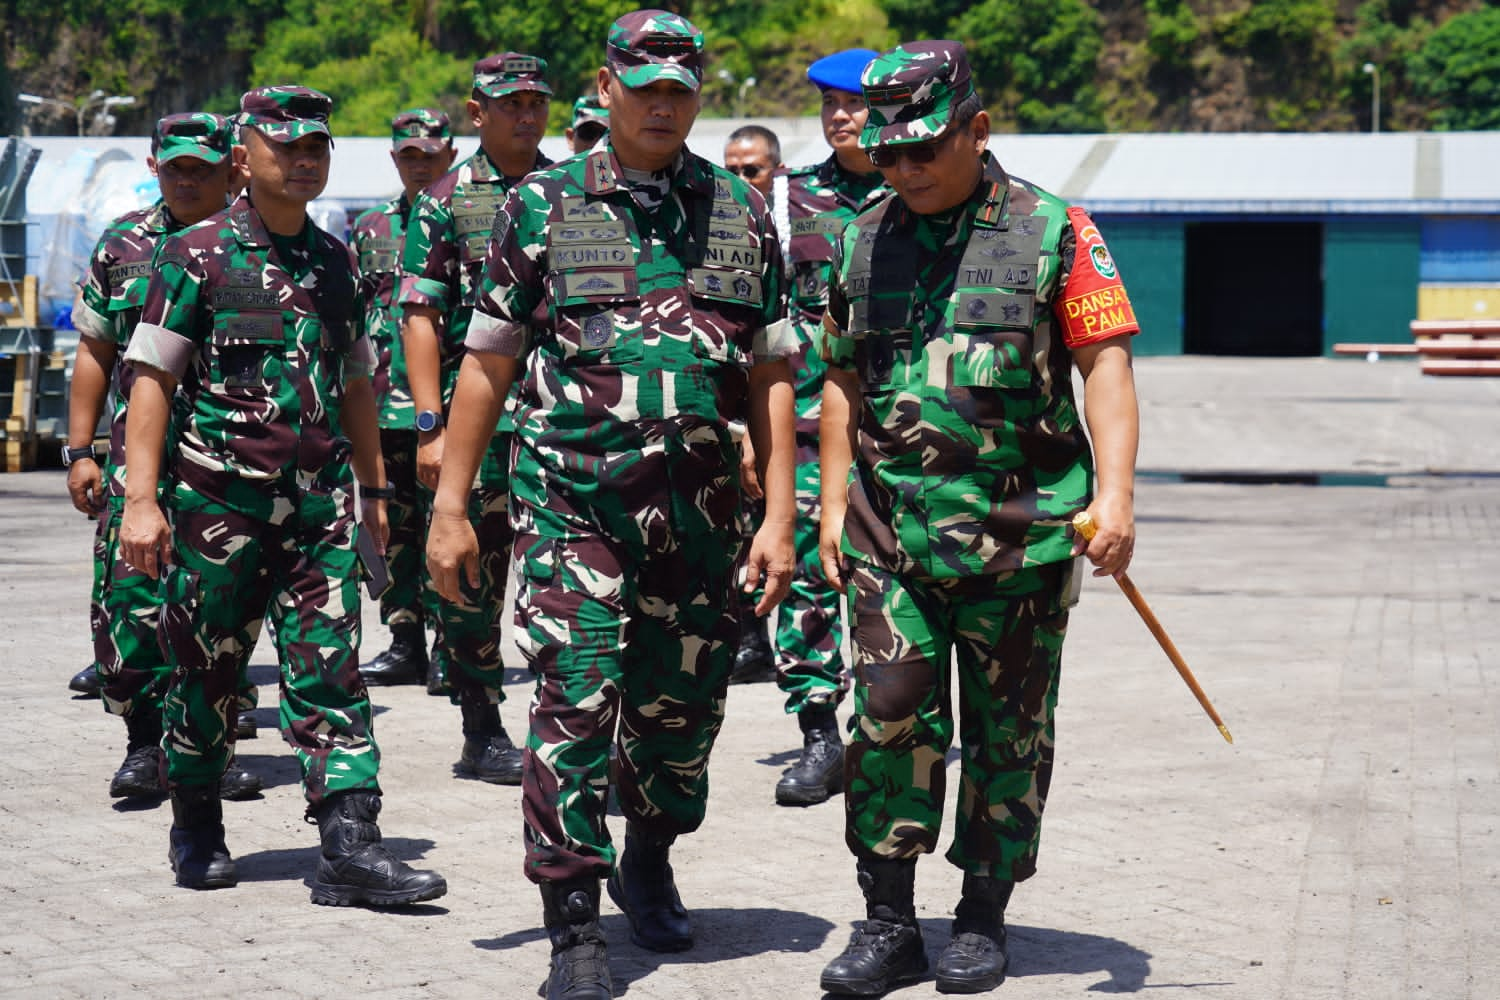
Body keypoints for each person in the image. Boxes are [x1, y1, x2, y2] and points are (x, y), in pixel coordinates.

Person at [425, 10, 796, 998]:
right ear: (607, 87)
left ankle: (654, 851)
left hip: (704, 519)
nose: (665, 101)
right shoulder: (543, 203)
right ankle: (575, 923)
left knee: (682, 720)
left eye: (682, 84)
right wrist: (453, 504)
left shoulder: (739, 210)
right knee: (574, 703)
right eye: (646, 84)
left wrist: (782, 512)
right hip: (574, 509)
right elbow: (489, 359)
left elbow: (772, 368)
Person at [815, 42, 1141, 995]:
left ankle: (983, 915)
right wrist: (834, 501)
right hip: (891, 533)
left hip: (1025, 533)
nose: (906, 169)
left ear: (978, 130)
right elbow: (840, 374)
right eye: (889, 154)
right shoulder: (863, 235)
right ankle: (887, 920)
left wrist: (1114, 495)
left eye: (925, 149)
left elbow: (1106, 369)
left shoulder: (1054, 229)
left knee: (1010, 733)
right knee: (888, 719)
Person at [118, 86, 447, 907]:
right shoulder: (195, 253)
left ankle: (348, 843)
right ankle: (195, 821)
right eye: (285, 146)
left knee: (331, 669)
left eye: (316, 148)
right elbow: (153, 378)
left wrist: (372, 485)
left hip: (319, 508)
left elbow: (357, 382)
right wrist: (141, 498)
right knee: (205, 667)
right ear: (244, 156)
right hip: (215, 507)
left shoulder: (335, 261)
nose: (304, 160)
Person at [67, 112, 263, 803]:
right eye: (175, 166)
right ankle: (144, 743)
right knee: (131, 608)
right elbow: (93, 351)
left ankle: (216, 745)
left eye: (202, 168)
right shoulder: (123, 246)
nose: (187, 179)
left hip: (228, 469)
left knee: (220, 615)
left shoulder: (257, 247)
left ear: (230, 169)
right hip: (134, 467)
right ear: (155, 167)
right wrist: (79, 449)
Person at [399, 53, 553, 777]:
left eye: (535, 102)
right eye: (510, 103)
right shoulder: (445, 199)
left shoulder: (576, 191)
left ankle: (569, 716)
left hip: (560, 416)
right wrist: (431, 426)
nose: (525, 114)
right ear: (477, 112)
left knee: (565, 575)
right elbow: (420, 316)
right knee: (471, 575)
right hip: (478, 420)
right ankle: (481, 719)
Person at [758, 47, 887, 808]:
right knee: (803, 580)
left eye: (857, 104)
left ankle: (886, 728)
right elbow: (763, 323)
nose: (841, 117)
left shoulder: (922, 193)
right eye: (829, 105)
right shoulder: (786, 201)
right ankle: (817, 733)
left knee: (883, 588)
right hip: (805, 426)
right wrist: (753, 429)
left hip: (898, 431)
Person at [354, 109, 457, 687]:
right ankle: (403, 638)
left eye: (430, 154)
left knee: (446, 523)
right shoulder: (369, 228)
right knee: (388, 527)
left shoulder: (466, 219)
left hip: (443, 405)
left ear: (450, 154)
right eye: (409, 155)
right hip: (379, 404)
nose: (420, 164)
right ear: (396, 159)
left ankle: (450, 644)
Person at [720, 121, 784, 687]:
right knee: (743, 531)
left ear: (776, 171)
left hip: (808, 412)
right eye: (733, 170)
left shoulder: (798, 227)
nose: (742, 179)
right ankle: (753, 637)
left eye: (753, 170)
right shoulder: (720, 228)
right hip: (743, 415)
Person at [722, 124, 780, 199]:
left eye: (751, 171)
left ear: (778, 172)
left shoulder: (793, 209)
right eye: (732, 172)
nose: (741, 180)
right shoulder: (710, 208)